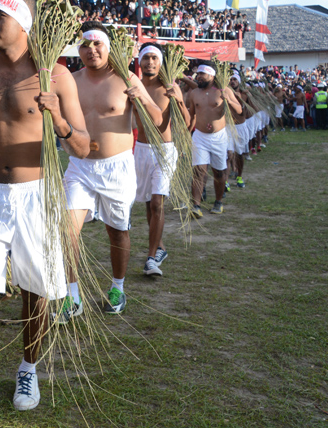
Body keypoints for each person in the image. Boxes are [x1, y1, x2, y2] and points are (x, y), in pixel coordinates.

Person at [0, 0, 90, 427]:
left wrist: (60, 120)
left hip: (37, 197)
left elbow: (85, 146)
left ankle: (28, 369)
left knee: (37, 296)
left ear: (22, 25)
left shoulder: (56, 77)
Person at [61, 25, 162, 322]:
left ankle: (118, 287)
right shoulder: (70, 81)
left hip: (116, 167)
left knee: (117, 231)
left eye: (97, 43)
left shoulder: (127, 78)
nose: (91, 49)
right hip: (79, 166)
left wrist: (140, 98)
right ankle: (72, 295)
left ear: (108, 47)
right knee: (67, 231)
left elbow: (157, 119)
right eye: (84, 44)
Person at [134, 43, 189, 277]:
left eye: (154, 59)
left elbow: (186, 123)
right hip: (141, 149)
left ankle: (151, 259)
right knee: (148, 203)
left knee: (157, 203)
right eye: (146, 58)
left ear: (161, 62)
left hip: (165, 151)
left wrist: (178, 100)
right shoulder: (133, 86)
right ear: (139, 61)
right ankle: (160, 248)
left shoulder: (169, 87)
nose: (150, 63)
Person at [187, 64, 242, 218]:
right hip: (199, 136)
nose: (198, 77)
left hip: (219, 137)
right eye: (198, 74)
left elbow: (239, 110)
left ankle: (218, 202)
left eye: (202, 75)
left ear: (211, 76)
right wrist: (187, 131)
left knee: (219, 172)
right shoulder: (194, 93)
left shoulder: (224, 90)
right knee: (198, 171)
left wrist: (229, 101)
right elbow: (192, 115)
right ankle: (196, 205)